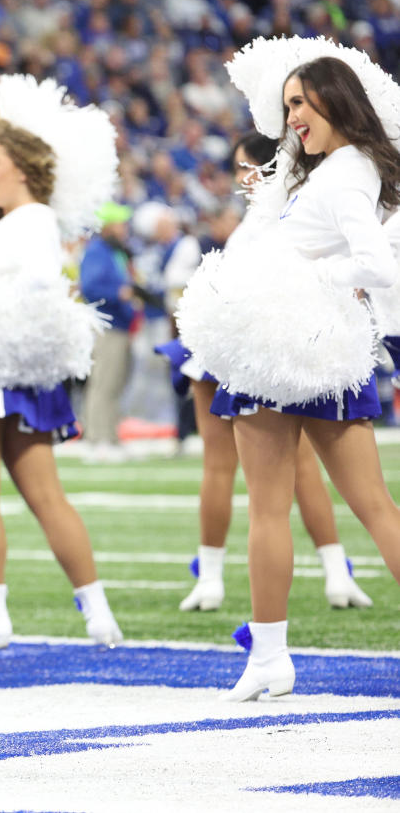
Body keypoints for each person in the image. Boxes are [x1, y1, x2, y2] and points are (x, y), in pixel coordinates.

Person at [184, 44, 400, 701]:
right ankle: (269, 658)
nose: (292, 118)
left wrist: (308, 279)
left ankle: (272, 657)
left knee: (295, 509)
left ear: (337, 101)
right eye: (286, 107)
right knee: (359, 508)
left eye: (301, 104)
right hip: (306, 349)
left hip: (298, 348)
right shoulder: (342, 168)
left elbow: (376, 264)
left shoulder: (344, 175)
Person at [0, 76, 123, 651]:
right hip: (24, 374)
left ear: (25, 167)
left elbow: (36, 285)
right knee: (45, 494)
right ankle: (97, 613)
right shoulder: (30, 221)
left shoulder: (27, 221)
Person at [160, 131, 371, 612]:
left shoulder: (267, 216)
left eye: (244, 167)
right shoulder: (306, 207)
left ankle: (211, 578)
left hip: (242, 346)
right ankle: (336, 572)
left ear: (267, 168)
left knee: (221, 467)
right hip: (279, 346)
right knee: (302, 470)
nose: (240, 177)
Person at [79, 203, 136, 462]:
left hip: (120, 326)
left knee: (113, 383)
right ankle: (97, 438)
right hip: (107, 326)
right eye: (121, 224)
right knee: (103, 383)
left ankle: (109, 436)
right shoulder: (98, 252)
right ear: (110, 225)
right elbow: (90, 287)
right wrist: (119, 294)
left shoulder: (114, 252)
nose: (125, 229)